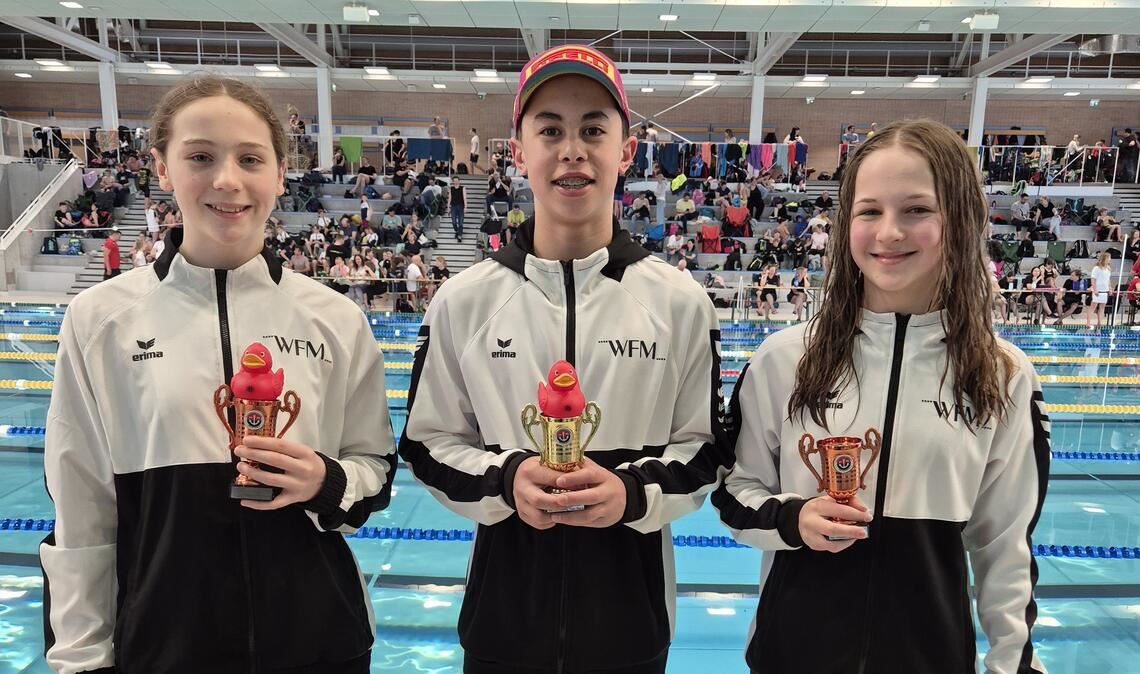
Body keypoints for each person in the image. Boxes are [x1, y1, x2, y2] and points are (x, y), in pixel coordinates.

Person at [41, 74, 397, 674]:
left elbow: (377, 471)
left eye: (250, 159)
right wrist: (82, 659)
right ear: (161, 168)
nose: (227, 180)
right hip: (166, 647)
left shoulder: (335, 318)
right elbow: (81, 512)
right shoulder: (100, 320)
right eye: (200, 157)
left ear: (280, 174)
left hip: (321, 644)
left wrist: (326, 480)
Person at [399, 44, 728, 674]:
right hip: (502, 630)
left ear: (625, 152)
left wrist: (632, 492)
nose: (572, 148)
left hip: (630, 634)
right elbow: (427, 443)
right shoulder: (465, 302)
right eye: (550, 129)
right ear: (518, 152)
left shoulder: (680, 303)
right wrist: (504, 480)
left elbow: (706, 449)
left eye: (593, 130)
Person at [714, 120, 1049, 674]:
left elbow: (1006, 547)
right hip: (791, 656)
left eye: (916, 210)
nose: (889, 232)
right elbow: (733, 492)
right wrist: (791, 520)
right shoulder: (784, 358)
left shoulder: (1002, 374)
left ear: (959, 220)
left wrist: (1014, 665)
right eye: (870, 211)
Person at [1089, 251, 1112, 328]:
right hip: (1097, 290)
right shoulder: (1096, 268)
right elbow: (1093, 279)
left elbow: (1108, 280)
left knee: (1102, 307)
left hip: (1104, 290)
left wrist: (1110, 288)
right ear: (1105, 259)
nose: (1110, 260)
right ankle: (1088, 322)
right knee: (1093, 306)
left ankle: (1099, 322)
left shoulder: (1108, 268)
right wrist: (1095, 289)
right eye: (1109, 258)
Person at [450, 174, 468, 241]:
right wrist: (448, 206)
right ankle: (457, 231)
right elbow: (450, 198)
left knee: (461, 222)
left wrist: (466, 207)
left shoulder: (462, 188)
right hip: (453, 206)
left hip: (461, 206)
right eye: (454, 181)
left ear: (459, 181)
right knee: (454, 221)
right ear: (453, 182)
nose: (456, 182)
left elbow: (465, 198)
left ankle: (460, 236)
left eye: (457, 181)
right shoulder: (451, 188)